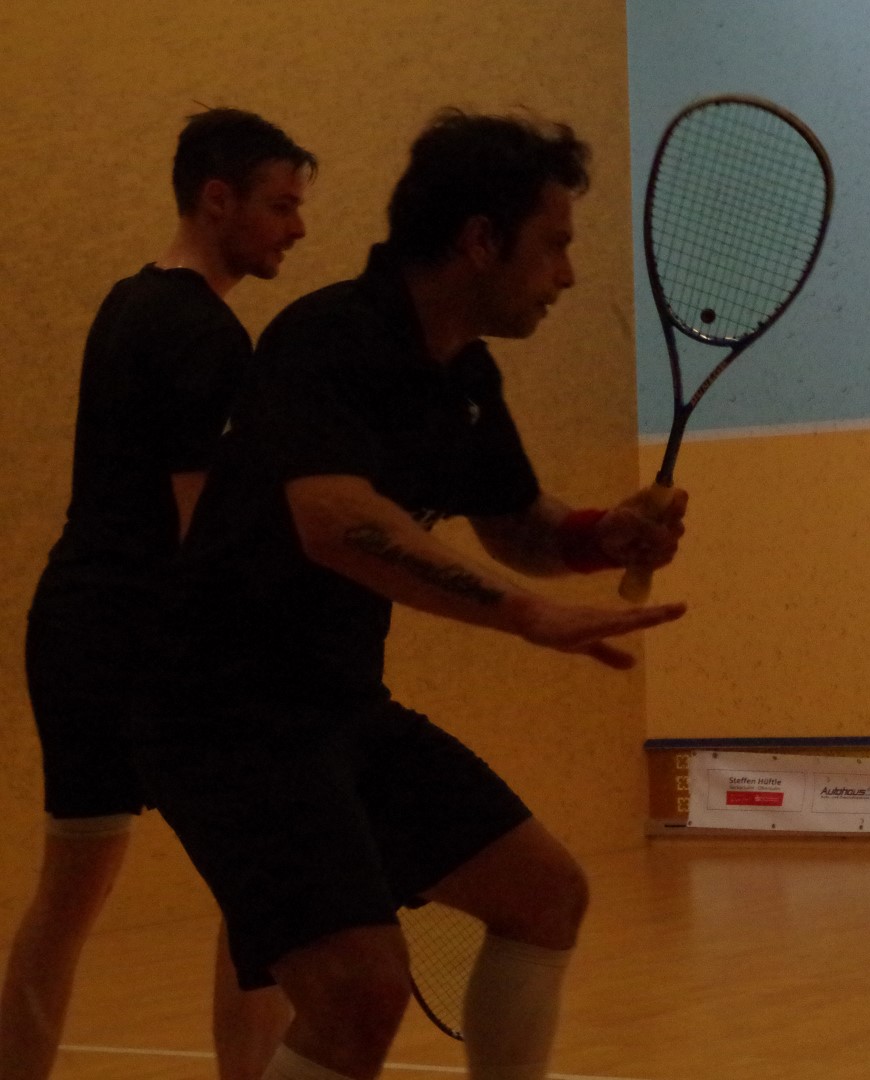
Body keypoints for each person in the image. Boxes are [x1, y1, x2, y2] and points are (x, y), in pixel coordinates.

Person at [131, 110, 689, 1080]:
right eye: (553, 245)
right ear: (480, 240)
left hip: (338, 707)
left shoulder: (463, 373)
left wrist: (602, 536)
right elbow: (335, 520)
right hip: (222, 717)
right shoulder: (327, 339)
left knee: (544, 895)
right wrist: (527, 614)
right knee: (358, 990)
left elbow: (515, 524)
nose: (565, 274)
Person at [0, 109, 315, 1080]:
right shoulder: (205, 334)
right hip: (150, 646)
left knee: (65, 903)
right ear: (217, 199)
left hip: (72, 630)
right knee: (264, 884)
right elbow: (200, 531)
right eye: (280, 206)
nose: (296, 228)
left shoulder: (127, 303)